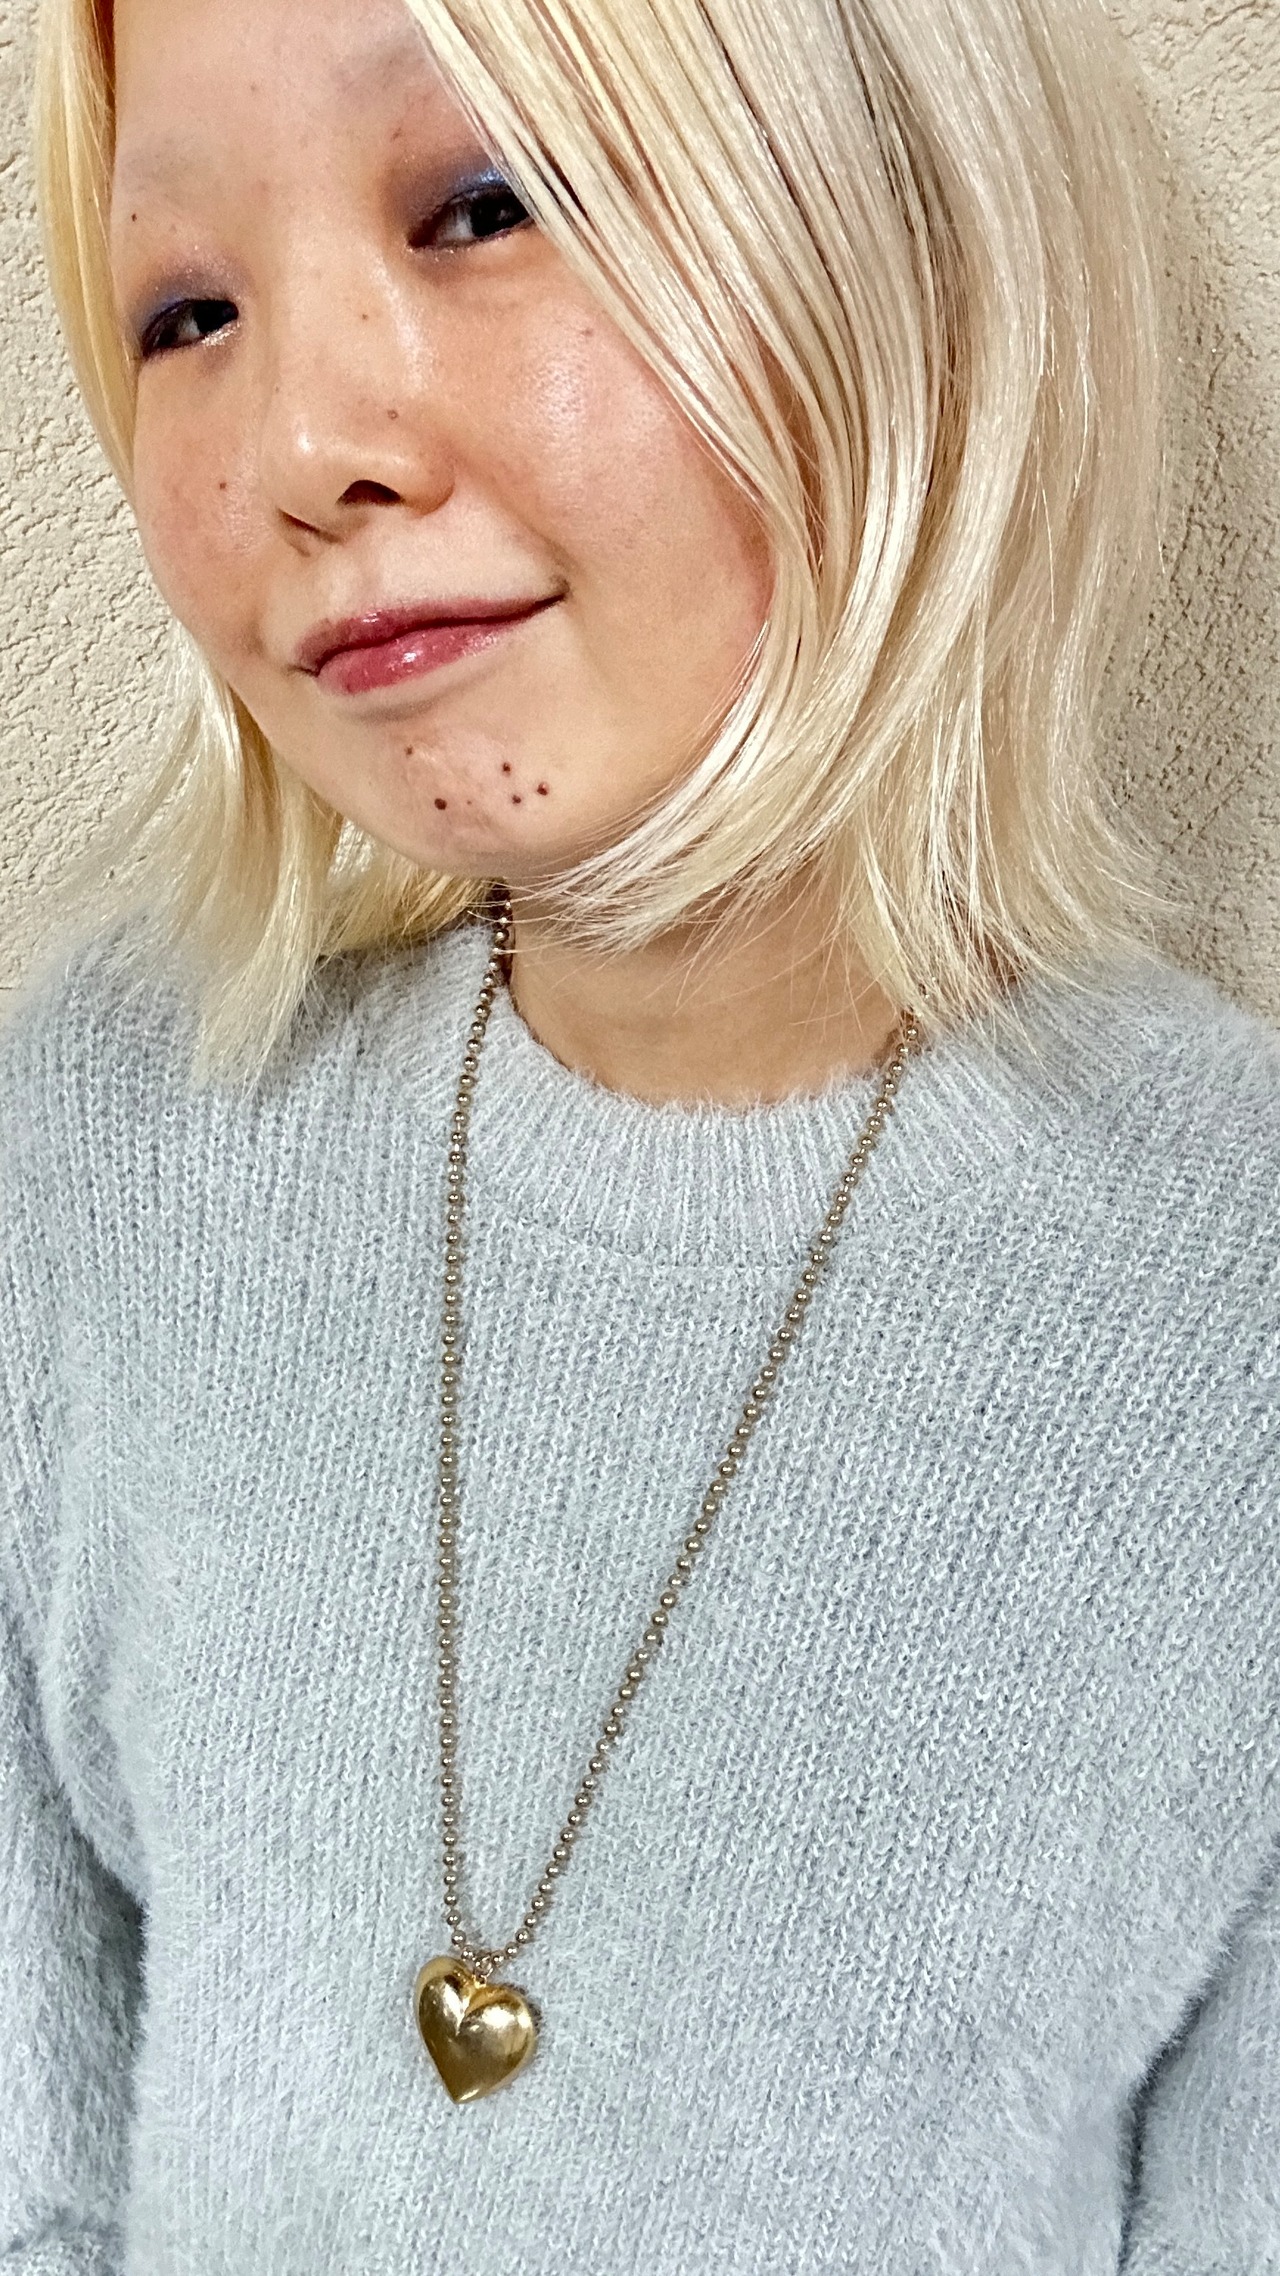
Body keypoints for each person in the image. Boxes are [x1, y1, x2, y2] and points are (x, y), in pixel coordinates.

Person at [2, 0, 1277, 2263]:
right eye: (186, 312)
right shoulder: (105, 1139)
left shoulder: (1228, 1306)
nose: (303, 441)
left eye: (481, 204)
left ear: (898, 232)